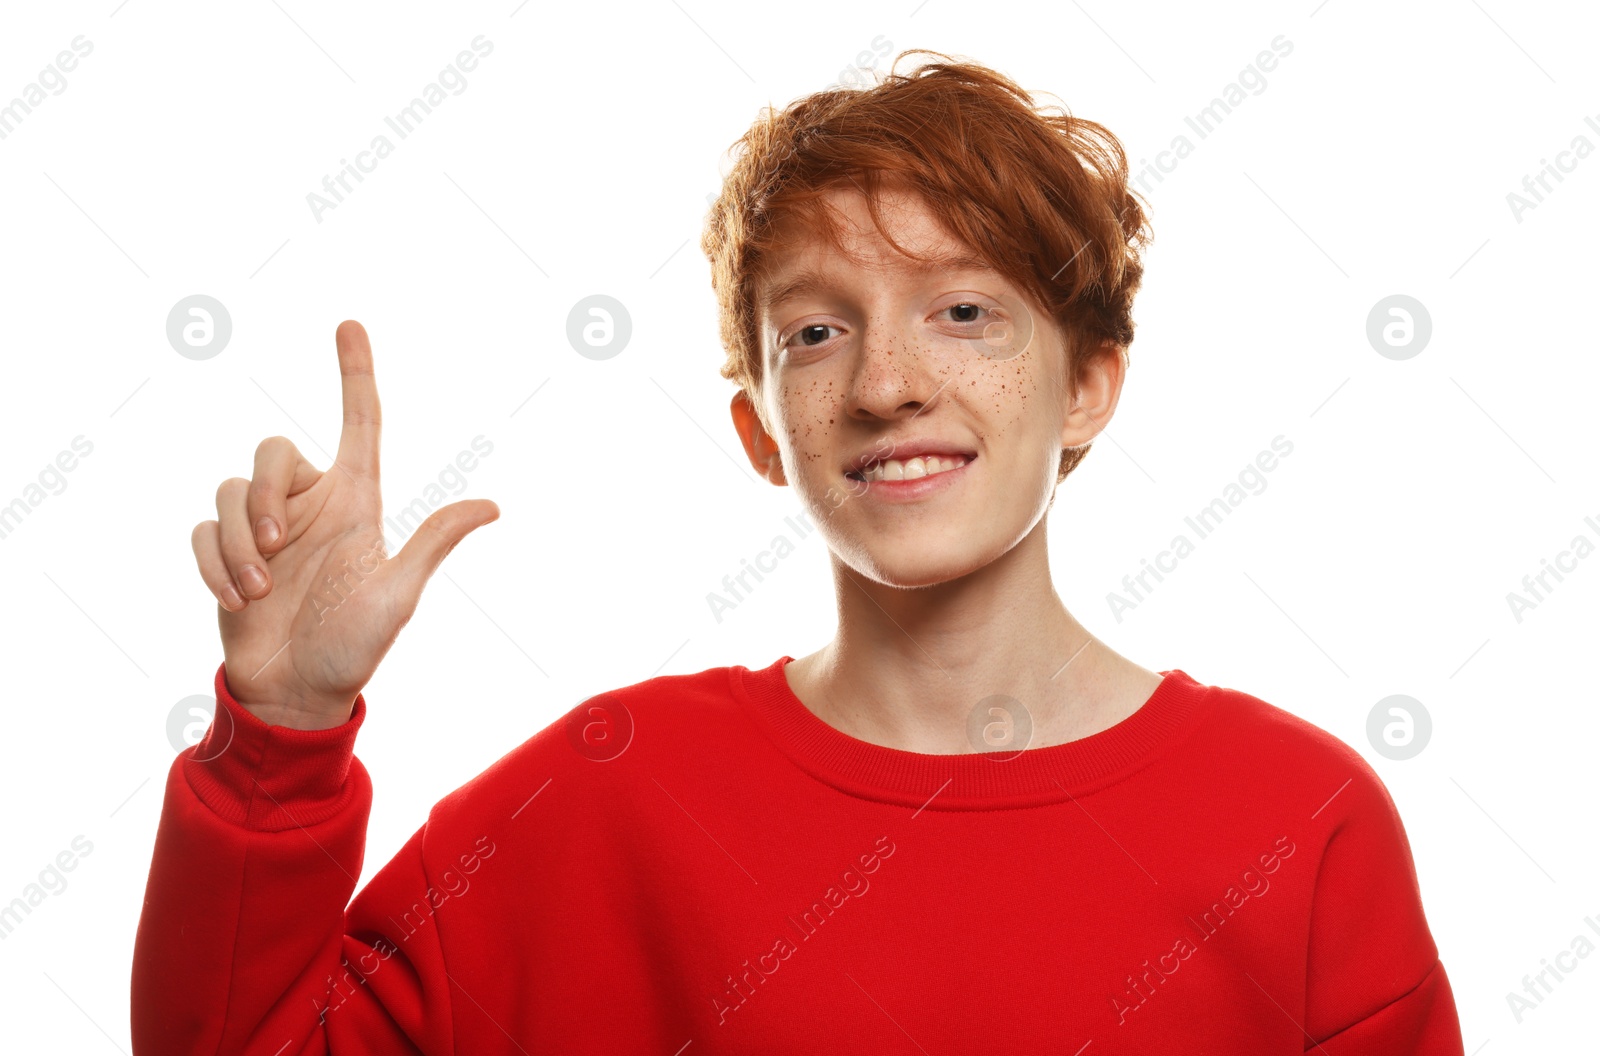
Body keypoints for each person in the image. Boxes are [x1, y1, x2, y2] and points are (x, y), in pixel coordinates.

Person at [132, 51, 1465, 1053]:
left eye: (962, 311)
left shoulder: (1301, 826)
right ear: (761, 427)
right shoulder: (608, 801)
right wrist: (282, 733)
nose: (887, 383)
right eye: (818, 332)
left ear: (1088, 388)